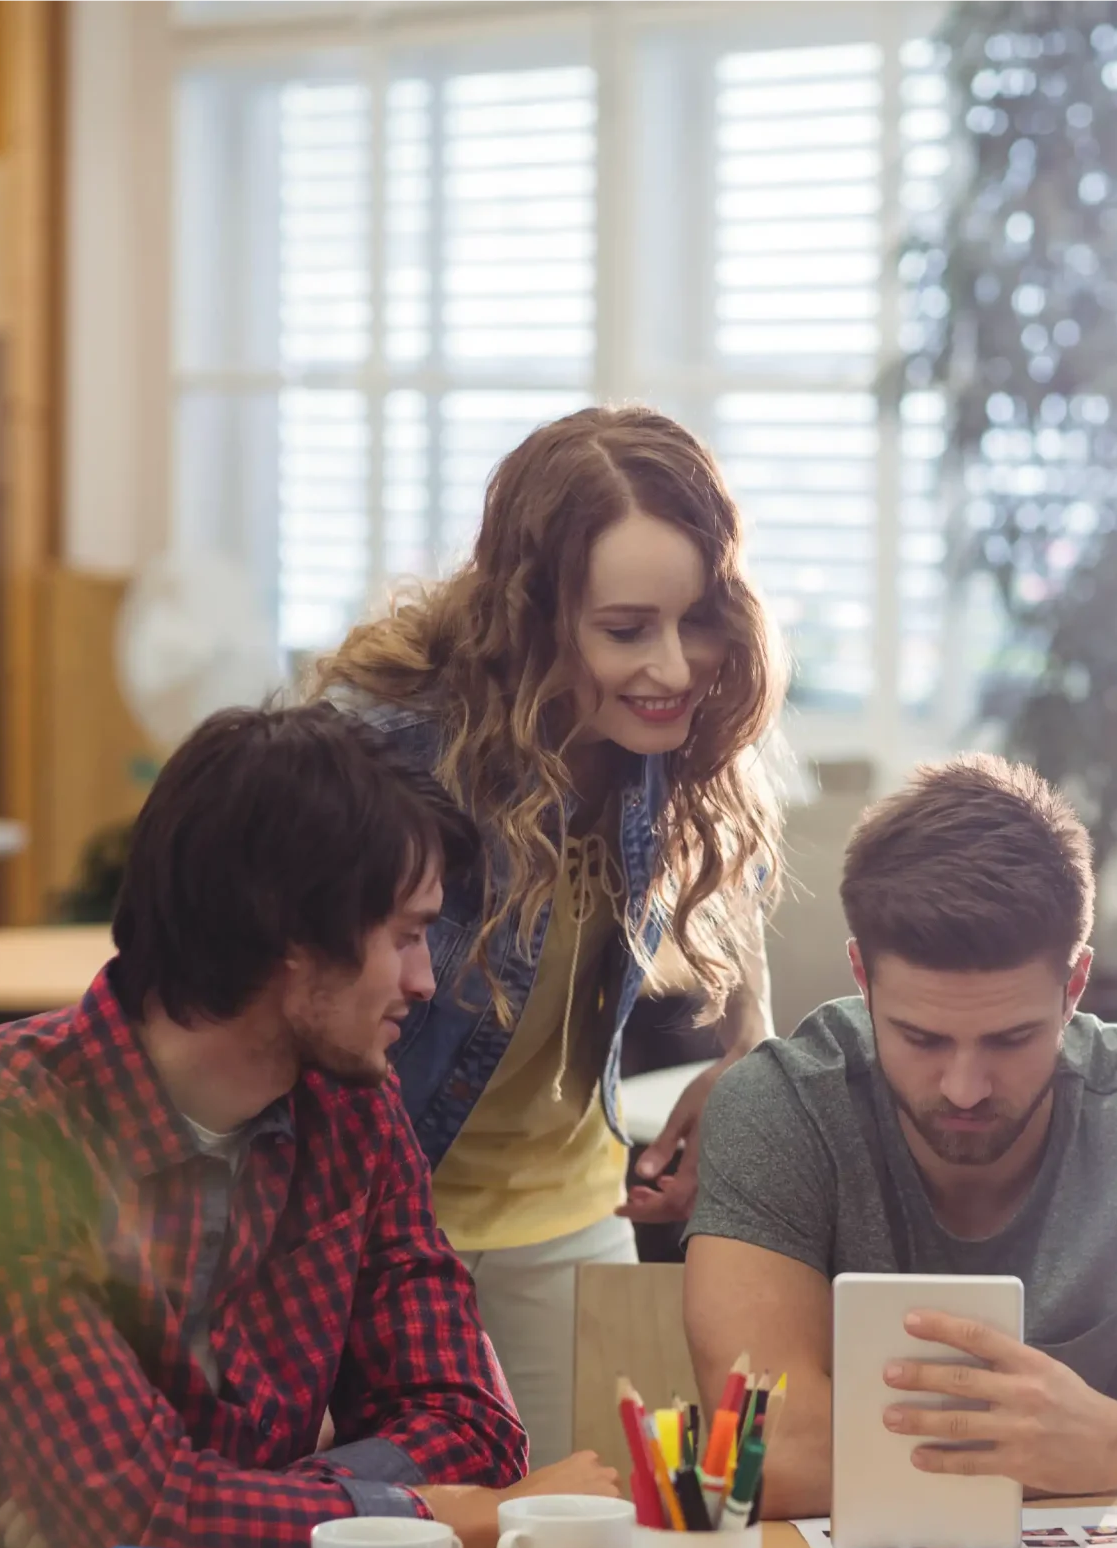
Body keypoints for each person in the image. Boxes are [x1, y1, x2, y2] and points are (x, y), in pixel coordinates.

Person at [0, 705, 616, 1548]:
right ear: (287, 934)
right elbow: (133, 1514)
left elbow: (473, 1423)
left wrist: (224, 1513)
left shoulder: (352, 1108)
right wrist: (444, 1516)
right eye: (403, 935)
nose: (426, 980)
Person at [682, 755, 1117, 1526]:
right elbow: (772, 1457)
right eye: (920, 1037)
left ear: (1075, 985)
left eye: (1010, 1037)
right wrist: (1061, 1451)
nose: (964, 1086)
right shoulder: (779, 1109)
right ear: (862, 975)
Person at [313, 405, 783, 1464]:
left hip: (571, 1221)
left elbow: (738, 885)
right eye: (626, 631)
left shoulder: (671, 736)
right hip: (381, 1242)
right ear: (534, 621)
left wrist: (747, 1058)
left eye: (698, 618)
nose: (674, 665)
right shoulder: (385, 748)